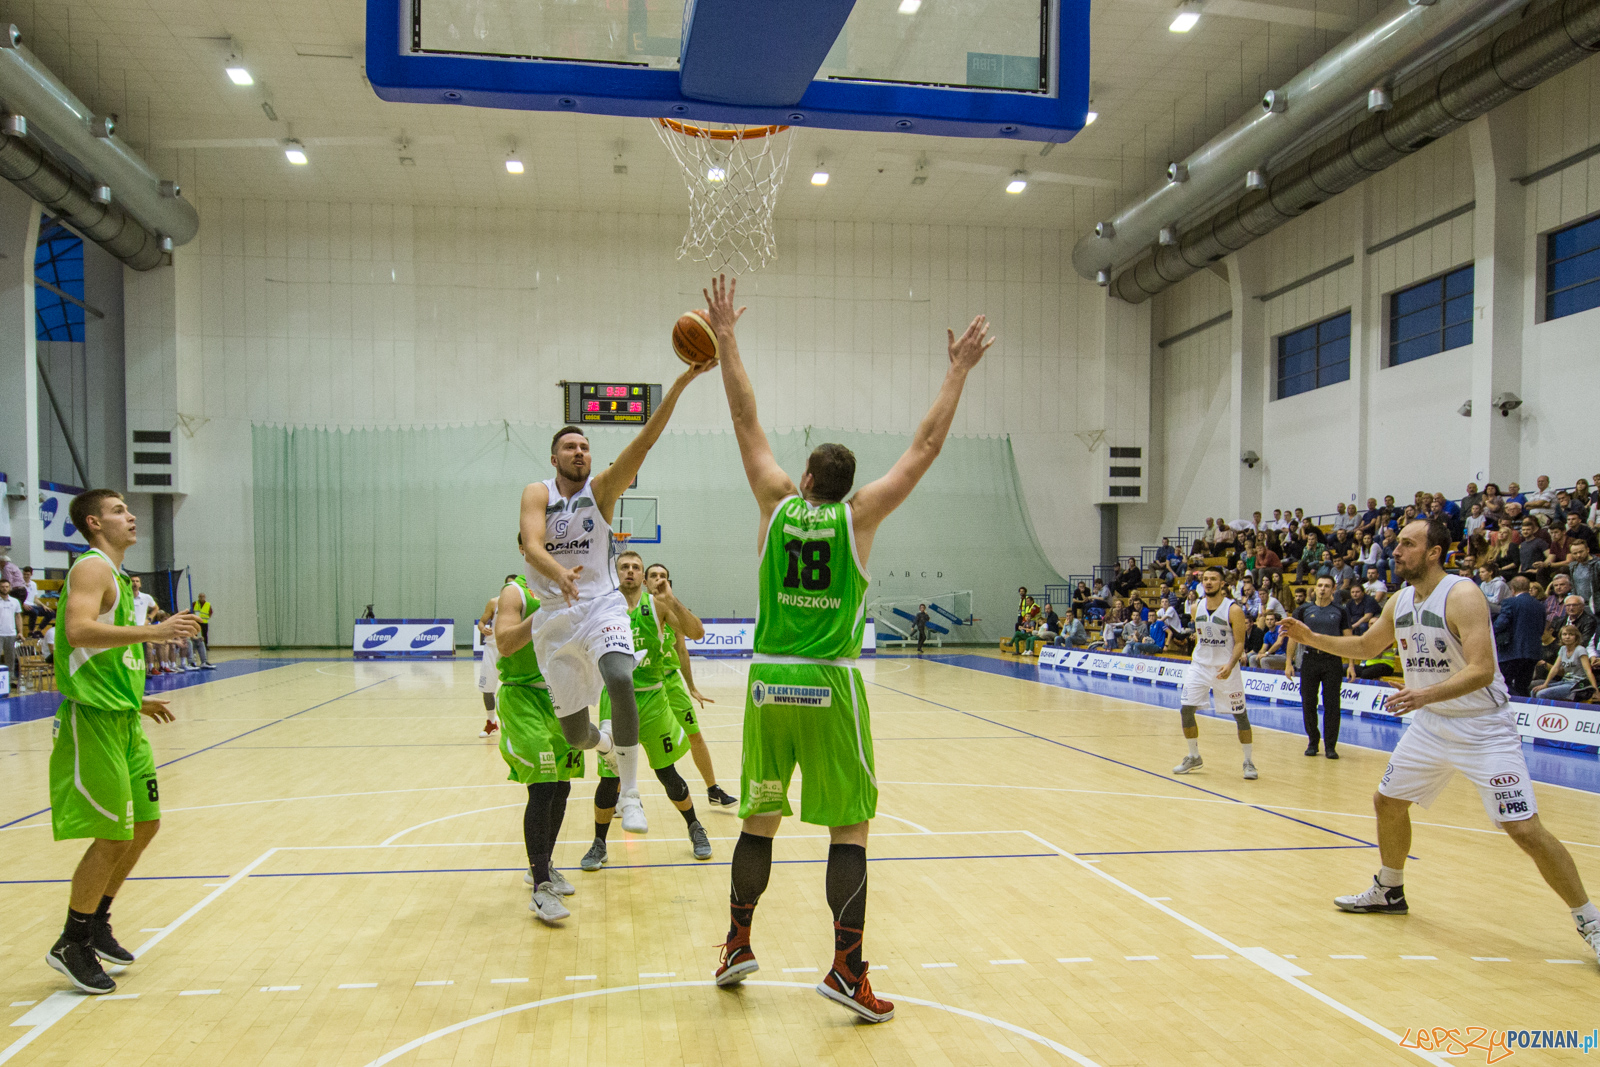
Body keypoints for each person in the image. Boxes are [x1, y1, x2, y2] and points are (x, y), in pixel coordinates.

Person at [705, 272, 992, 1022]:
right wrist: (956, 368)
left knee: (757, 820)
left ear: (803, 478)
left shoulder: (774, 500)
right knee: (849, 828)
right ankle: (845, 969)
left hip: (769, 682)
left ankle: (736, 942)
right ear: (850, 486)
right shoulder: (861, 516)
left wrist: (727, 336)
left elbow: (743, 415)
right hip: (831, 684)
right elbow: (924, 446)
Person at [1282, 518, 1600, 964]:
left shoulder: (1463, 594)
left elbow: (1483, 670)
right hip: (1431, 723)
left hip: (1483, 727)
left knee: (1523, 828)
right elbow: (1369, 647)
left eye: (1408, 544)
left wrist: (1422, 694)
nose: (1396, 551)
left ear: (1434, 552)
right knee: (1387, 802)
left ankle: (1591, 920)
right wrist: (1311, 637)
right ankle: (1390, 889)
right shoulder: (1399, 600)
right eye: (1397, 544)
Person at [518, 362, 713, 837]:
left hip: (601, 606)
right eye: (571, 446)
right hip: (554, 618)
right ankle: (605, 745)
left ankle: (630, 794)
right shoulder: (536, 492)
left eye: (586, 446)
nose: (580, 451)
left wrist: (683, 383)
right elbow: (531, 543)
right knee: (578, 735)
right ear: (554, 458)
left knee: (620, 676)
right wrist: (559, 572)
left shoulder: (601, 490)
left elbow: (644, 441)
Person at [45, 489, 200, 994]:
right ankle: (72, 940)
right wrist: (153, 634)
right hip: (91, 721)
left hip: (123, 719)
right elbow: (78, 631)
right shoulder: (91, 569)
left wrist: (137, 701)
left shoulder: (122, 582)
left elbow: (105, 656)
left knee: (145, 826)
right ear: (93, 522)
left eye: (128, 510)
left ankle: (96, 923)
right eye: (118, 510)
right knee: (113, 833)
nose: (130, 516)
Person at [582, 551, 713, 869]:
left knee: (667, 773)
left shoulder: (657, 606)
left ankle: (696, 828)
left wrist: (672, 598)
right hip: (613, 702)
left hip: (653, 702)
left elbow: (696, 633)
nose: (629, 571)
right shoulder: (601, 607)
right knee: (609, 781)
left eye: (635, 568)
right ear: (616, 574)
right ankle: (599, 844)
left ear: (643, 576)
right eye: (624, 567)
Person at [491, 570, 582, 923]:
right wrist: (544, 614)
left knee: (562, 786)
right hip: (522, 697)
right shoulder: (514, 592)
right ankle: (541, 889)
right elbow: (505, 644)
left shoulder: (570, 589)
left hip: (559, 697)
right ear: (526, 552)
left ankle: (541, 865)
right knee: (543, 786)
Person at [644, 563, 736, 808]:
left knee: (695, 734)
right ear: (645, 582)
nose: (658, 579)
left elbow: (682, 649)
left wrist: (692, 686)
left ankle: (713, 789)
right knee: (629, 741)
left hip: (670, 681)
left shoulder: (672, 609)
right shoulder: (635, 607)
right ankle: (623, 796)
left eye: (663, 576)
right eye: (653, 575)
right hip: (643, 683)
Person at [1172, 566, 1256, 780]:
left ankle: (1248, 761)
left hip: (1225, 667)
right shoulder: (1195, 607)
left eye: (1213, 579)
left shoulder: (1233, 610)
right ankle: (1193, 756)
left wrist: (1229, 665)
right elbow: (1202, 635)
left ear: (1222, 584)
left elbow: (1239, 643)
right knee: (1186, 710)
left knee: (1240, 715)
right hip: (1199, 666)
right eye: (1205, 579)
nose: (1208, 582)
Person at [1286, 576, 1347, 758]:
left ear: (1333, 589)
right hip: (1310, 659)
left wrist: (1350, 663)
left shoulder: (1340, 611)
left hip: (1332, 660)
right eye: (1320, 585)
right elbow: (1293, 637)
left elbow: (1348, 637)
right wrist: (1288, 662)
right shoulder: (1303, 610)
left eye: (1327, 586)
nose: (1323, 589)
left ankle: (1330, 746)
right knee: (1308, 702)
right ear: (1315, 588)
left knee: (1332, 704)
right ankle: (1313, 741)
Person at [476, 577, 517, 738]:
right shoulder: (494, 602)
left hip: (513, 648)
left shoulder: (523, 602)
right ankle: (491, 722)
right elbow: (481, 622)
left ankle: (516, 723)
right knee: (487, 689)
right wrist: (482, 628)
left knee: (516, 687)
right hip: (492, 649)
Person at [1531, 624, 1597, 703]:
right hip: (1565, 681)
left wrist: (1595, 690)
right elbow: (1555, 668)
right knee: (1534, 692)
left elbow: (1588, 671)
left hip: (1577, 684)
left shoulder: (1580, 650)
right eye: (1564, 634)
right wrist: (1545, 684)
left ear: (1576, 637)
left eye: (1571, 634)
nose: (1567, 637)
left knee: (1541, 694)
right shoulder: (1562, 649)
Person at [0, 579, 18, 691]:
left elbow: (18, 617)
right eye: (2, 586)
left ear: (10, 587)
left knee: (10, 658)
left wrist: (20, 631)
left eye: (7, 586)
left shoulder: (15, 601)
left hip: (11, 633)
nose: (5, 588)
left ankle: (10, 680)